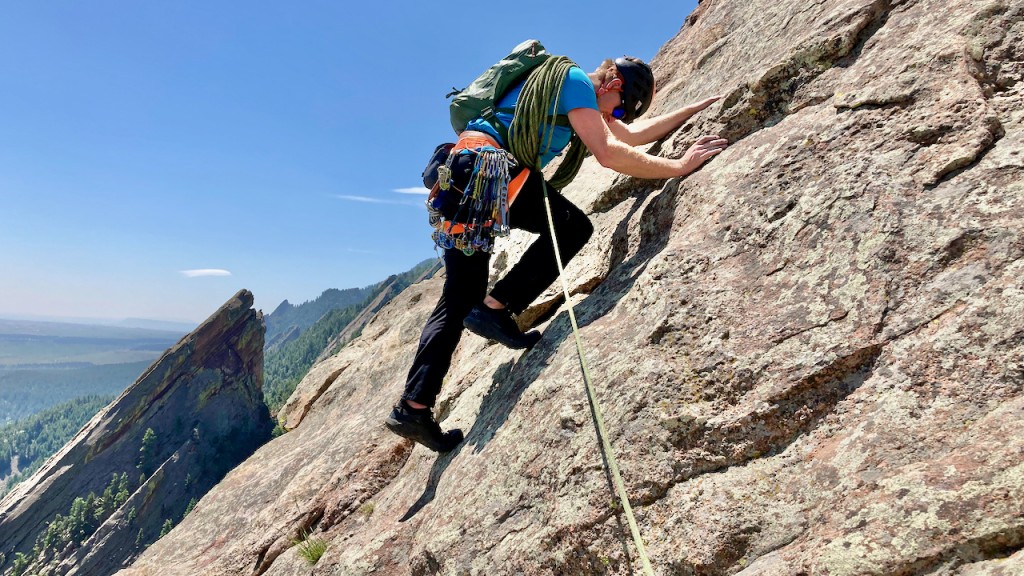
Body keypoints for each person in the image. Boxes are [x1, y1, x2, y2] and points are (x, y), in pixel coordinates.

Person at [386, 55, 728, 452]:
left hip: (462, 175)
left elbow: (630, 137)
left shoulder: (575, 96)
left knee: (458, 298)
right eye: (619, 107)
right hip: (490, 170)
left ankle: (413, 407)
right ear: (614, 81)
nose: (615, 116)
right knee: (572, 228)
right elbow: (609, 153)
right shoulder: (575, 81)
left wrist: (694, 107)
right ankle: (495, 308)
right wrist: (679, 166)